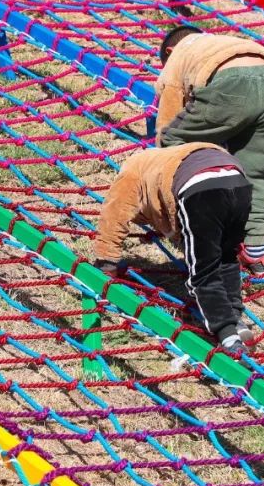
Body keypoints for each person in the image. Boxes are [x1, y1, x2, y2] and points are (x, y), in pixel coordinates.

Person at [93, 142, 254, 355]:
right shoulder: (169, 156)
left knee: (203, 271)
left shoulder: (132, 169)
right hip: (237, 178)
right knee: (226, 255)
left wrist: (106, 263)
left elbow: (114, 214)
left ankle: (227, 337)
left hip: (199, 188)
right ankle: (235, 318)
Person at [153, 25, 264, 277]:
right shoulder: (217, 42)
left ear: (170, 50)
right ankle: (256, 251)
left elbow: (168, 121)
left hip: (230, 84)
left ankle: (178, 222)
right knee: (257, 170)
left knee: (172, 143)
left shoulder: (178, 55)